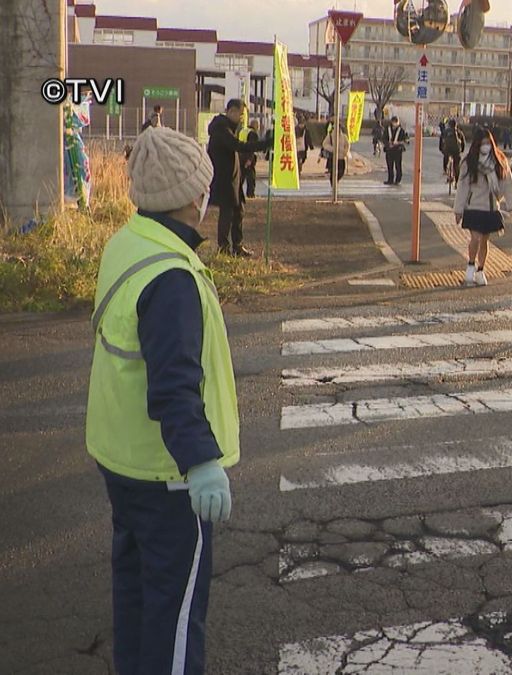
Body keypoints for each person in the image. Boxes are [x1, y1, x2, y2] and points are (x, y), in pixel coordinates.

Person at [89, 126, 240, 675]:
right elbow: (175, 385)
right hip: (168, 476)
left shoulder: (129, 242)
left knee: (136, 599)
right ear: (191, 196)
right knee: (176, 619)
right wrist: (202, 464)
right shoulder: (172, 276)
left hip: (121, 461)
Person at [206, 99, 272, 257]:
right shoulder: (221, 128)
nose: (242, 119)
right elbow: (238, 146)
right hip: (224, 178)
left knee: (238, 211)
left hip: (233, 177)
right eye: (240, 115)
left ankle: (237, 245)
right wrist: (265, 144)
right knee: (227, 213)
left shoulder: (226, 127)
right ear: (231, 112)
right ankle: (224, 248)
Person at [454, 128, 512, 287]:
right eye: (483, 143)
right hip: (473, 207)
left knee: (484, 241)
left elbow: (508, 184)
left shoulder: (499, 161)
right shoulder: (469, 163)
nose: (486, 146)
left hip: (490, 208)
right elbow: (462, 186)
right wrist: (458, 210)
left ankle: (481, 270)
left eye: (488, 143)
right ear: (477, 145)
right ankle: (470, 266)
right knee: (475, 238)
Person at [322, 122, 350, 187]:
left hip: (341, 157)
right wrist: (332, 149)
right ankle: (333, 184)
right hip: (333, 158)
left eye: (339, 128)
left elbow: (347, 145)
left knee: (341, 172)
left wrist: (345, 151)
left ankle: (336, 180)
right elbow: (325, 144)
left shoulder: (344, 136)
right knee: (333, 172)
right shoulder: (330, 136)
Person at [383, 117, 409, 186]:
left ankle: (398, 180)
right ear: (392, 122)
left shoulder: (401, 130)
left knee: (398, 165)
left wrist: (399, 143)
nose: (395, 124)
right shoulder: (387, 129)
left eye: (396, 122)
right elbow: (384, 138)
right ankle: (390, 180)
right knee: (389, 165)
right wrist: (388, 144)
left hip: (398, 150)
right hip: (389, 150)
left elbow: (406, 140)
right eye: (394, 122)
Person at [440, 119, 466, 188]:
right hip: (456, 151)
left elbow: (441, 141)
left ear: (449, 125)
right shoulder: (459, 133)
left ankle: (445, 170)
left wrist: (441, 149)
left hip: (447, 150)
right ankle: (457, 182)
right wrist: (462, 150)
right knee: (456, 166)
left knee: (446, 157)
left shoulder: (445, 132)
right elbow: (463, 144)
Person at [240, 120, 261, 199]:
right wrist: (249, 159)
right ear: (255, 126)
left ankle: (237, 194)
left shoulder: (243, 131)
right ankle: (250, 194)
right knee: (251, 178)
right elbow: (252, 147)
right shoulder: (253, 134)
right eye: (257, 126)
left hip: (240, 156)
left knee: (241, 177)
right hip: (248, 157)